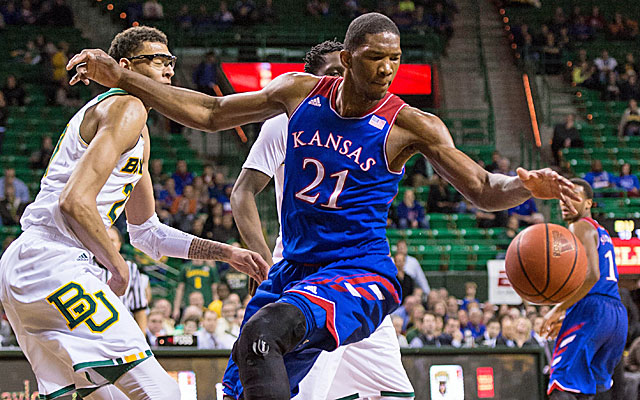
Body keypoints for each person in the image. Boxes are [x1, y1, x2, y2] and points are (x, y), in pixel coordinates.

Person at [68, 13, 579, 399]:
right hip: (295, 269)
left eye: (395, 59)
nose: (387, 69)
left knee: (265, 336)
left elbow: (485, 189)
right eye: (376, 58)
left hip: (357, 270)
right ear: (350, 57)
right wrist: (122, 76)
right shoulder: (298, 94)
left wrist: (526, 186)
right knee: (243, 376)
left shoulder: (411, 124)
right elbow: (210, 110)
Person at [0, 26, 268, 400]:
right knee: (162, 394)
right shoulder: (127, 107)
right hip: (54, 261)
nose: (169, 70)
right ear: (124, 66)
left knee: (106, 397)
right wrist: (118, 265)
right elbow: (74, 201)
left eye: (171, 62)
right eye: (158, 61)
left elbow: (147, 233)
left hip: (27, 265)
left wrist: (226, 252)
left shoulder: (136, 131)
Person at [227, 40, 415, 400]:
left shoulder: (372, 125)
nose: (342, 80)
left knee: (393, 390)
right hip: (301, 273)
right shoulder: (284, 121)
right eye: (332, 74)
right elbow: (242, 192)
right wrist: (262, 261)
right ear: (309, 80)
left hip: (353, 273)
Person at [542, 179, 627, 399]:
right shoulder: (602, 231)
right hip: (616, 314)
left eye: (573, 197)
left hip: (592, 310)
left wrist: (558, 309)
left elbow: (592, 276)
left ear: (588, 203)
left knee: (561, 382)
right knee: (590, 391)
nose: (565, 203)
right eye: (563, 198)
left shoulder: (579, 225)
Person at [101, 226, 150, 333]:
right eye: (103, 239)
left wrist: (142, 339)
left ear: (119, 245)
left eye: (112, 240)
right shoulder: (86, 266)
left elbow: (139, 309)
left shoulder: (130, 268)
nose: (108, 244)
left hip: (122, 330)